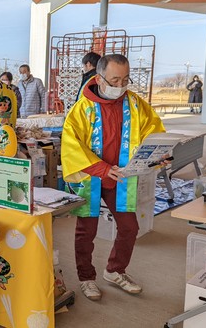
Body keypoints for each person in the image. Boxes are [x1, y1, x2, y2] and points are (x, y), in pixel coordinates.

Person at [61, 54, 165, 302]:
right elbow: (71, 145)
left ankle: (114, 270)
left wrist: (161, 154)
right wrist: (101, 168)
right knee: (87, 231)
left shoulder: (136, 104)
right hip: (93, 177)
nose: (120, 86)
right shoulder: (82, 109)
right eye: (115, 80)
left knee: (130, 228)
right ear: (99, 78)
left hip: (122, 177)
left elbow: (154, 130)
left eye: (125, 80)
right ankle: (86, 278)